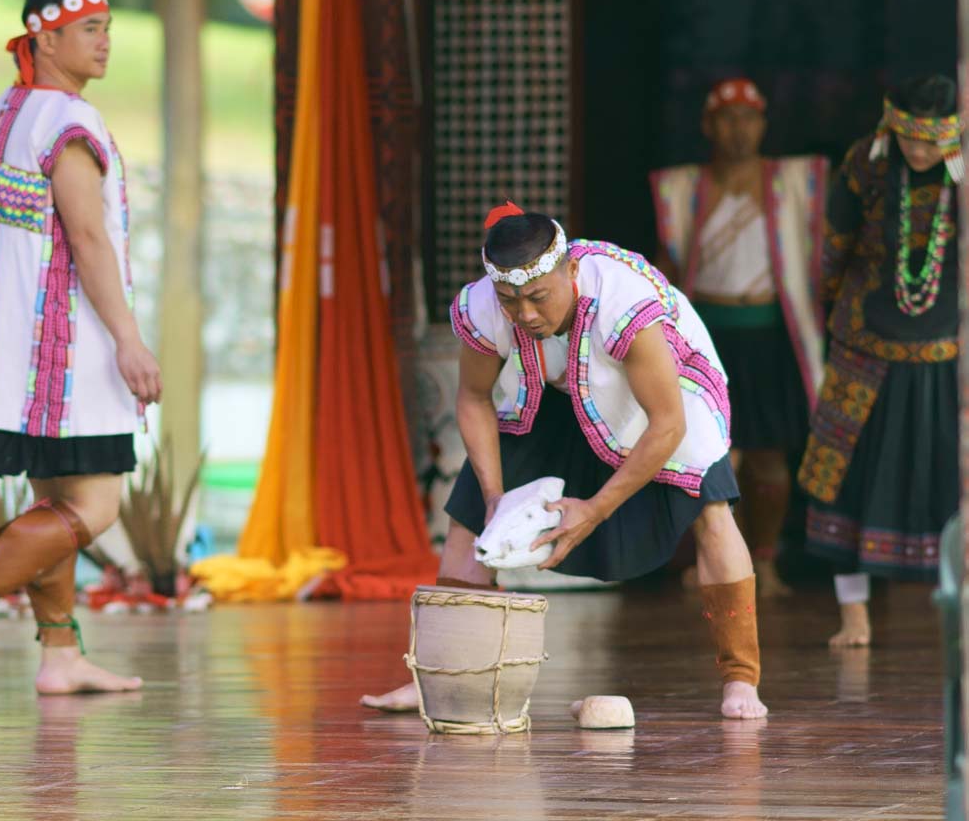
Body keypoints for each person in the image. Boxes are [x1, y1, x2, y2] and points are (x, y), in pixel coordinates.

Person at [362, 203, 766, 719]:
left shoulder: (623, 304)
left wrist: (594, 510)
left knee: (711, 509)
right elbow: (473, 398)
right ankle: (438, 678)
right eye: (511, 301)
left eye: (538, 297)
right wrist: (492, 498)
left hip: (666, 396)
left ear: (571, 271)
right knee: (467, 521)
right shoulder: (487, 306)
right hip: (553, 391)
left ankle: (741, 681)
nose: (525, 314)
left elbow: (668, 424)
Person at [0, 0, 162, 693]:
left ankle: (60, 654)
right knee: (94, 508)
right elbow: (88, 239)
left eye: (108, 27)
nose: (105, 42)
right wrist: (127, 338)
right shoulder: (67, 125)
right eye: (90, 29)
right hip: (74, 349)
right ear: (45, 37)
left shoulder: (1, 116)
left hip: (16, 352)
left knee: (52, 500)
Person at [798, 75, 961, 647]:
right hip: (863, 346)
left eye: (931, 142)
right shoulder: (864, 165)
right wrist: (832, 315)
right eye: (909, 139)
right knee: (845, 477)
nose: (919, 151)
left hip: (948, 355)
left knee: (952, 478)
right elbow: (835, 246)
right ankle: (855, 618)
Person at [650, 79, 827, 596]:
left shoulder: (791, 182)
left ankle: (765, 564)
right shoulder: (685, 189)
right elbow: (665, 267)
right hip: (707, 336)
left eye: (749, 117)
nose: (738, 129)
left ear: (763, 124)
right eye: (726, 118)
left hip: (770, 335)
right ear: (707, 126)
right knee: (711, 456)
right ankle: (721, 563)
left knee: (769, 456)